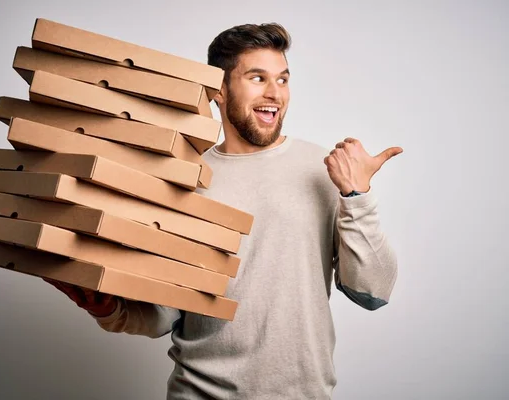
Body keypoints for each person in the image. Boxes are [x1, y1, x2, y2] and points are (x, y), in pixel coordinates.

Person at [45, 22, 402, 399]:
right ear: (219, 89)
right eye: (257, 78)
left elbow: (373, 292)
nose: (274, 94)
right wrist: (108, 308)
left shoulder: (324, 170)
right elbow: (163, 314)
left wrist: (357, 195)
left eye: (282, 80)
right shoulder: (184, 180)